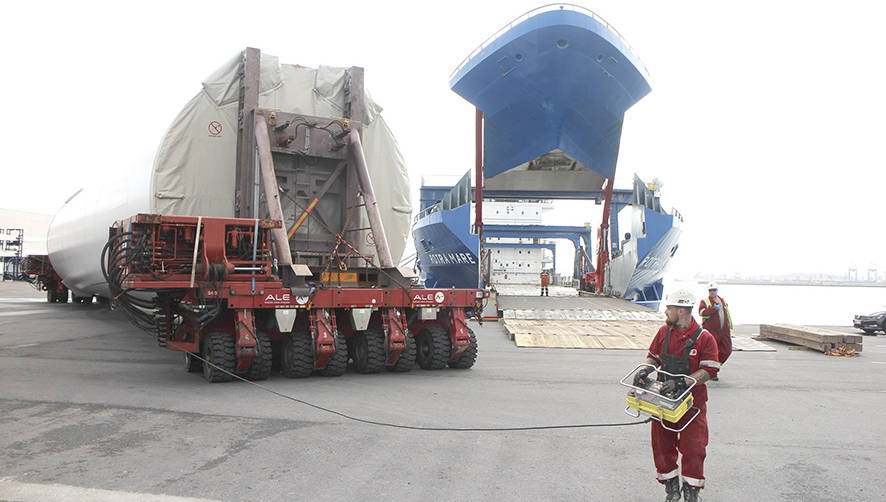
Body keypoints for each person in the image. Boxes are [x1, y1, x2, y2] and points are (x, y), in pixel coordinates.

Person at [633, 289, 720, 501]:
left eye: (669, 308)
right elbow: (653, 356)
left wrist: (682, 382)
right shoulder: (664, 332)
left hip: (692, 404)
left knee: (694, 448)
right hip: (663, 400)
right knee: (662, 447)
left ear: (681, 310)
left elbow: (710, 369)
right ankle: (672, 490)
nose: (665, 311)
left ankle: (691, 493)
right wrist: (645, 370)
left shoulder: (704, 338)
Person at [697, 282, 732, 377]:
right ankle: (712, 372)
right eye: (710, 290)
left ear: (717, 291)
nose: (712, 292)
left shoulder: (722, 300)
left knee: (727, 350)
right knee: (712, 352)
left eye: (714, 290)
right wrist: (713, 309)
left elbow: (727, 314)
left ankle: (716, 366)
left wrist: (728, 326)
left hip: (724, 330)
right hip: (711, 331)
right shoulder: (705, 301)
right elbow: (701, 312)